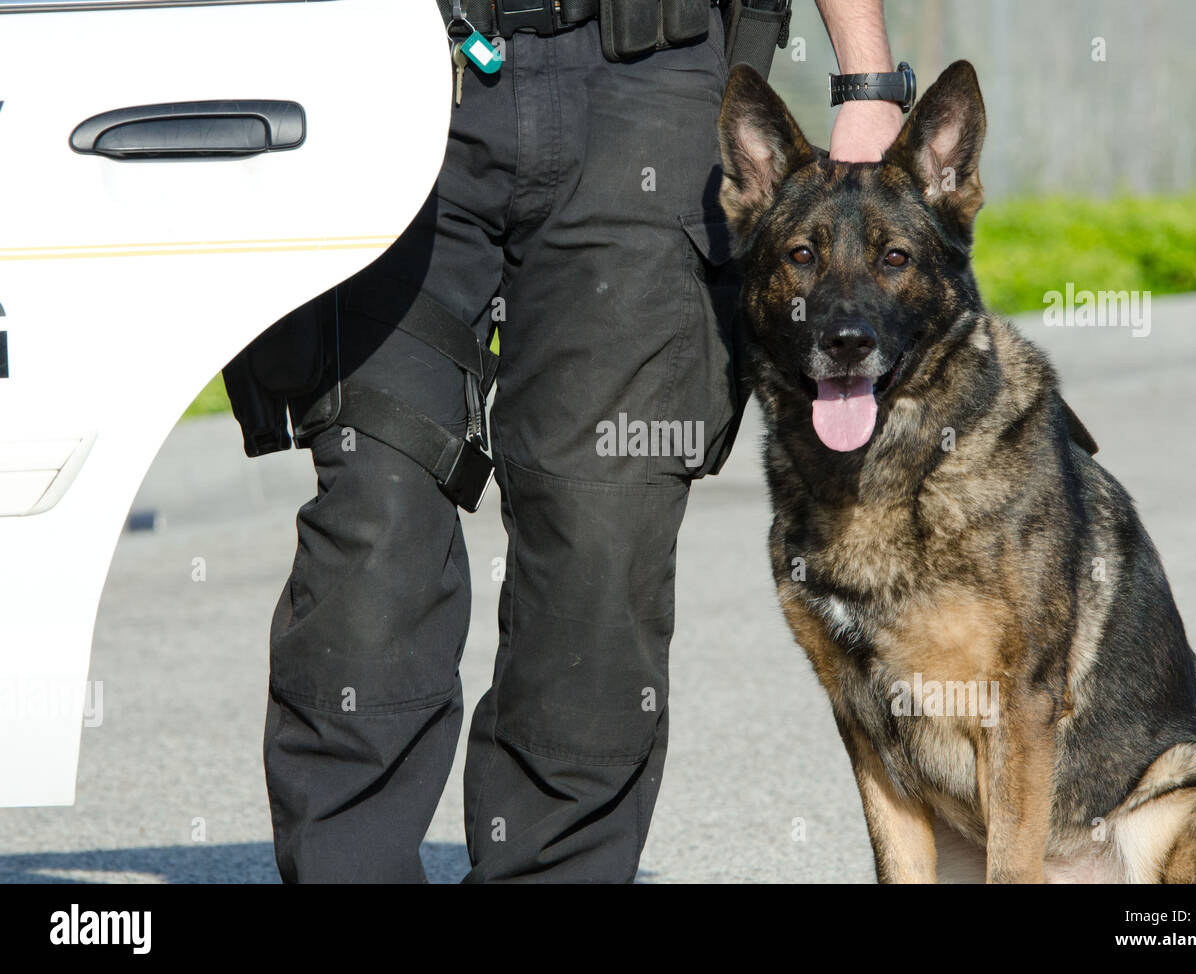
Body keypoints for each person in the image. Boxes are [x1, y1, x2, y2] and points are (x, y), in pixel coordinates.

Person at [261, 0, 907, 883]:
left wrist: (866, 77)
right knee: (377, 515)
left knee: (602, 539)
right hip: (392, 69)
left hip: (645, 81)